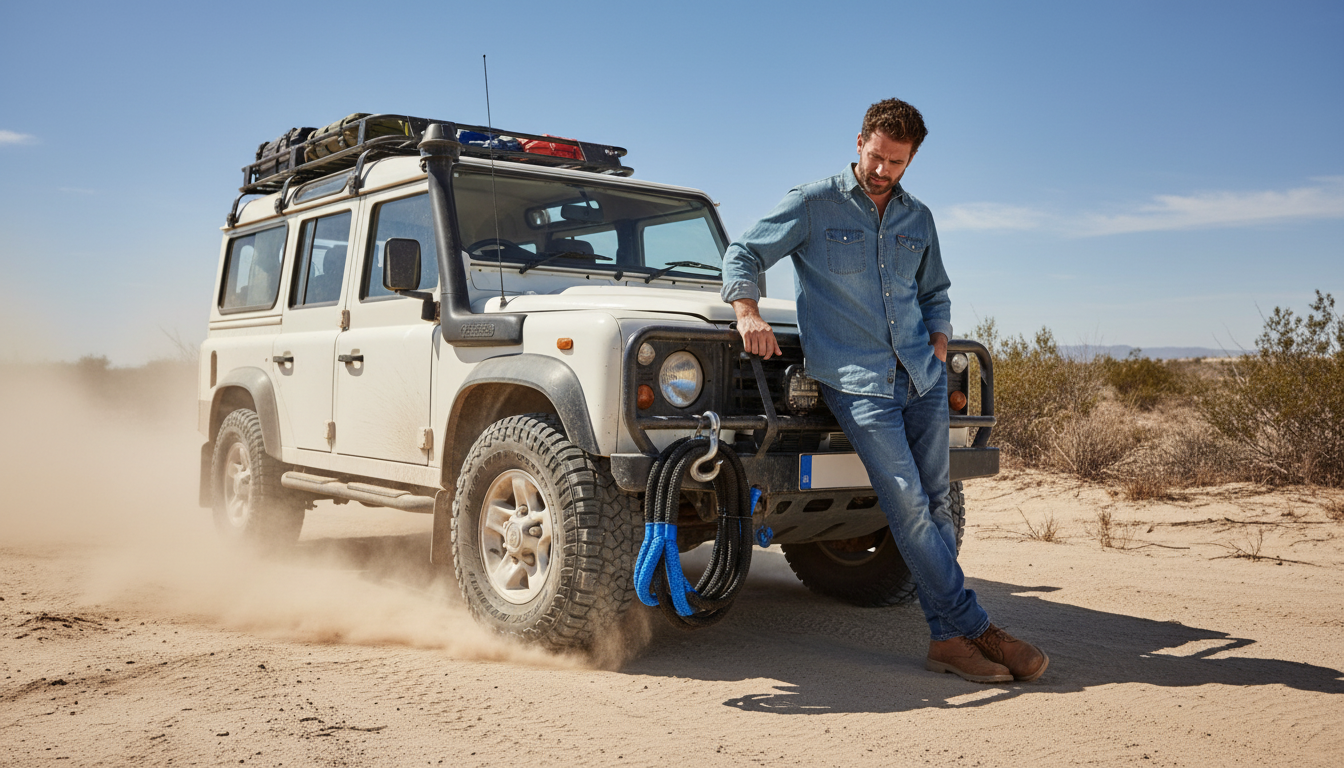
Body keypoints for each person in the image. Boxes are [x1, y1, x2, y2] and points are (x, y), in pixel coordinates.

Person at [720, 98, 1048, 684]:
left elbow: (936, 291)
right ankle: (979, 630)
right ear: (859, 143)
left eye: (896, 163)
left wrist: (941, 346)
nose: (883, 171)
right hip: (856, 382)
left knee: (939, 503)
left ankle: (949, 640)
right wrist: (747, 310)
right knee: (910, 508)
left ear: (910, 159)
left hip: (921, 375)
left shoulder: (917, 218)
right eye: (876, 157)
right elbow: (744, 250)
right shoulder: (813, 204)